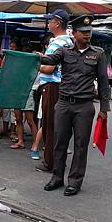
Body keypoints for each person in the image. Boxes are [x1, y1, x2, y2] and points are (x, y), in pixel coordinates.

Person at [38, 15, 110, 196]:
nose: (87, 35)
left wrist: (104, 109)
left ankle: (75, 181)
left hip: (84, 106)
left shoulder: (98, 54)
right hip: (63, 104)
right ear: (74, 33)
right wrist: (35, 57)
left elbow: (103, 82)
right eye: (83, 32)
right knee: (59, 142)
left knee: (80, 145)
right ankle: (57, 177)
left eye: (89, 32)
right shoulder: (64, 51)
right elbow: (49, 60)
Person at [35, 9, 74, 172]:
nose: (48, 23)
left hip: (52, 86)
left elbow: (49, 68)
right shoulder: (70, 42)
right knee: (60, 126)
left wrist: (36, 64)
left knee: (50, 125)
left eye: (50, 21)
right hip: (63, 86)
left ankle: (50, 162)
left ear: (57, 23)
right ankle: (58, 160)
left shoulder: (57, 43)